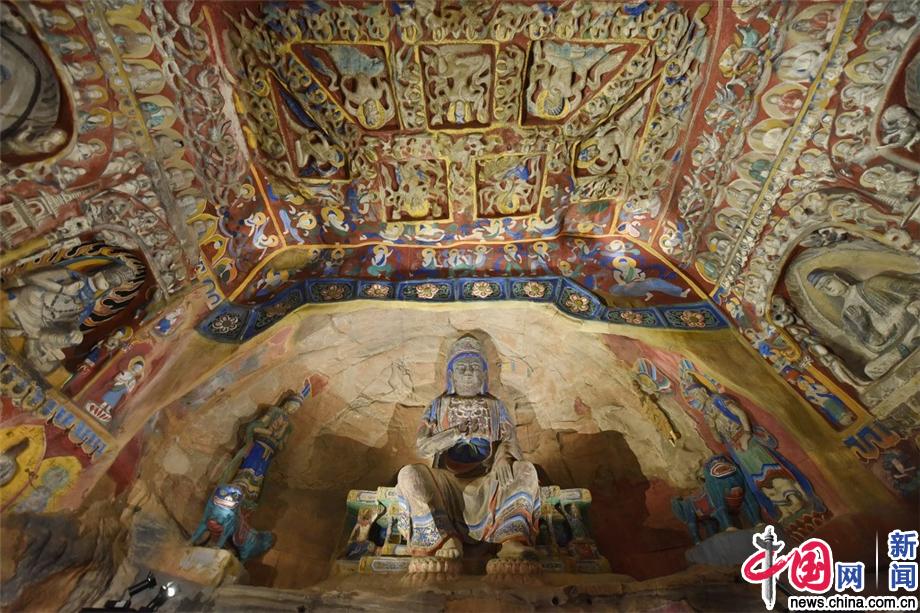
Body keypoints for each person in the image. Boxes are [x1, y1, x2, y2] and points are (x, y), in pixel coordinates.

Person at [395, 335, 541, 563]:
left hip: (489, 481)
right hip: (447, 483)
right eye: (461, 368)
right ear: (451, 375)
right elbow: (423, 447)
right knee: (409, 474)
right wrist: (454, 434)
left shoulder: (496, 406)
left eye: (474, 368)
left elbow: (510, 440)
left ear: (484, 375)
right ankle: (444, 539)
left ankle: (511, 539)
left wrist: (503, 457)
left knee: (526, 470)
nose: (468, 373)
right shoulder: (438, 405)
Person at [807, 268, 920, 379]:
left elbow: (914, 287)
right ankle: (911, 344)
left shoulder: (872, 283)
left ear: (838, 277)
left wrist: (912, 304)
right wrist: (864, 325)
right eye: (822, 288)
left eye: (828, 282)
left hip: (915, 320)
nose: (828, 288)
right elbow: (877, 345)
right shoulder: (847, 315)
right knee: (871, 370)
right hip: (902, 343)